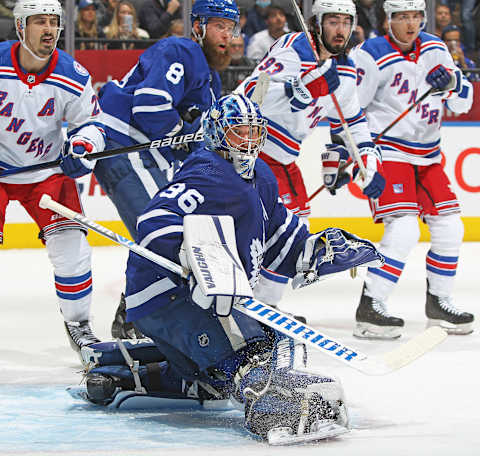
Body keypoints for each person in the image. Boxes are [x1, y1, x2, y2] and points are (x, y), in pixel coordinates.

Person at [76, 93, 384, 444]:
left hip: (203, 299)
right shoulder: (207, 170)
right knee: (255, 348)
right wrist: (189, 256)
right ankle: (273, 409)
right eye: (239, 132)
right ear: (217, 135)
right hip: (169, 294)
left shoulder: (262, 176)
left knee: (251, 354)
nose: (249, 141)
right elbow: (155, 220)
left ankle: (120, 369)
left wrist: (318, 252)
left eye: (255, 132)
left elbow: (281, 239)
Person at [90, 0, 240, 338]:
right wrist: (184, 137)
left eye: (231, 29)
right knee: (161, 229)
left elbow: (198, 140)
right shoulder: (180, 50)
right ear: (198, 26)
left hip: (150, 155)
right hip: (124, 143)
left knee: (176, 229)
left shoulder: (212, 82)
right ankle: (135, 321)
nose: (227, 36)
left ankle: (137, 314)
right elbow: (150, 105)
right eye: (219, 26)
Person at [236, 0, 385, 309]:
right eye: (332, 21)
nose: (340, 29)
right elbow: (253, 94)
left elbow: (354, 124)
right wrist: (302, 88)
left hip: (283, 160)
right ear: (317, 23)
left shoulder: (344, 71)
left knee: (293, 232)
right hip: (249, 151)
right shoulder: (293, 48)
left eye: (346, 22)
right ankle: (247, 305)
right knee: (266, 234)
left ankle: (265, 308)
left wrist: (368, 165)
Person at [349, 0, 474, 339]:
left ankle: (439, 302)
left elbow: (463, 102)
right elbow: (351, 107)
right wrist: (353, 153)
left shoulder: (436, 48)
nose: (409, 24)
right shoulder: (370, 53)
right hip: (389, 152)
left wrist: (451, 84)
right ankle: (371, 305)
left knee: (450, 227)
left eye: (415, 16)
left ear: (423, 17)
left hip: (429, 155)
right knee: (404, 229)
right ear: (388, 19)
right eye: (401, 17)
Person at [0, 0, 106, 354]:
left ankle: (78, 323)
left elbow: (92, 124)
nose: (49, 30)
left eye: (54, 22)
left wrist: (82, 147)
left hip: (46, 172)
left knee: (72, 249)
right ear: (19, 27)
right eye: (40, 22)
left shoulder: (73, 75)